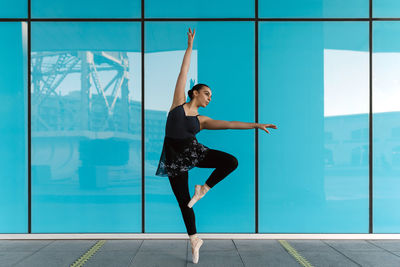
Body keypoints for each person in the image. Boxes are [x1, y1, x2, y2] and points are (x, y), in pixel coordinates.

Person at [155, 28, 278, 264]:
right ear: (194, 93)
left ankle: (204, 188)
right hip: (174, 161)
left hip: (193, 153)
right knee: (184, 203)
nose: (209, 98)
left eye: (211, 96)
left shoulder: (202, 121)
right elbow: (183, 71)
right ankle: (194, 240)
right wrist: (190, 45)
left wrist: (255, 124)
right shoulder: (178, 104)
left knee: (231, 161)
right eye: (206, 93)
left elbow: (230, 124)